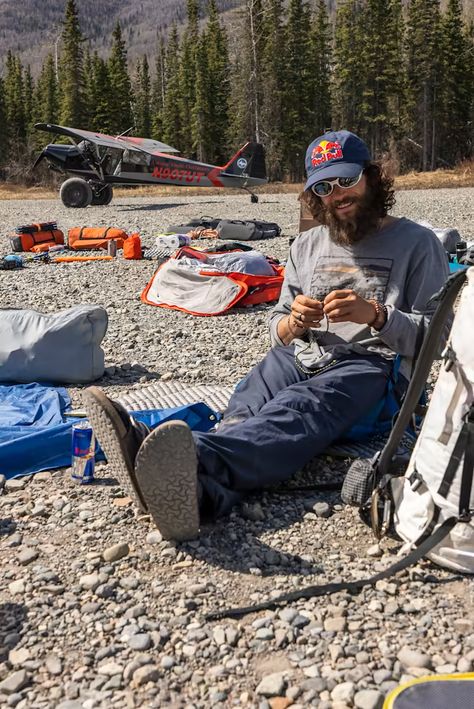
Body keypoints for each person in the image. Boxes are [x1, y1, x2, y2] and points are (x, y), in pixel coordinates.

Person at [84, 129, 450, 542]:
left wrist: (378, 315)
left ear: (371, 176)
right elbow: (277, 330)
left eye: (346, 181)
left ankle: (184, 457)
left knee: (298, 407)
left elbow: (437, 343)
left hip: (373, 371)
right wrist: (293, 323)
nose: (337, 195)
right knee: (249, 400)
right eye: (324, 187)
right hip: (304, 355)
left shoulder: (417, 244)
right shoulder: (308, 244)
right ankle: (201, 491)